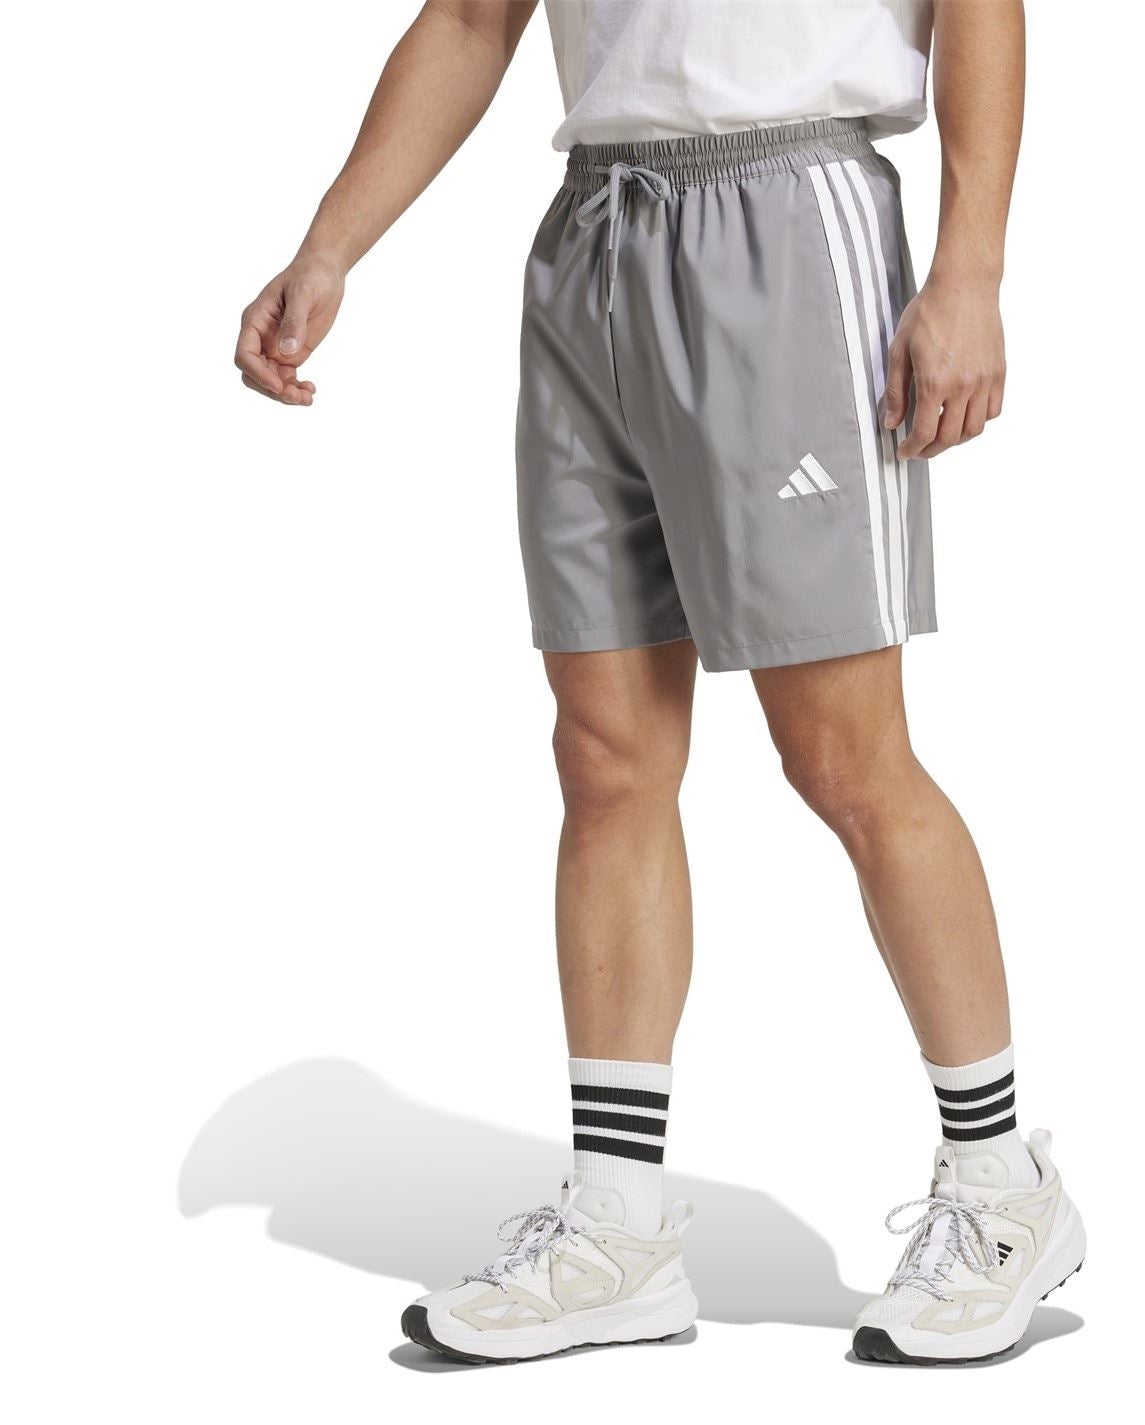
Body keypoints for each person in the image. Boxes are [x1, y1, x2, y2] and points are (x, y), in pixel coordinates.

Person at [235, 0, 1084, 1366]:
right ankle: (617, 1229)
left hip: (789, 216)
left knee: (844, 757)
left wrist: (970, 267)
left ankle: (1003, 1189)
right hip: (594, 234)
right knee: (605, 754)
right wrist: (330, 246)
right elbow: (472, 19)